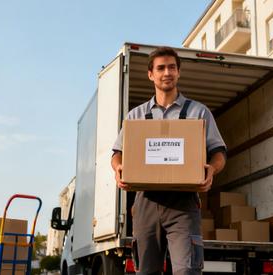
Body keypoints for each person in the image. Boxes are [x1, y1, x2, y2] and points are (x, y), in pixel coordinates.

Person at [111, 47, 227, 275]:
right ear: (150, 74)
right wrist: (118, 169)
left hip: (183, 205)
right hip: (146, 203)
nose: (167, 72)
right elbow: (117, 153)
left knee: (187, 271)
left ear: (178, 73)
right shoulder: (136, 116)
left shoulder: (198, 112)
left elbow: (219, 152)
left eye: (172, 67)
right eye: (161, 68)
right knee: (146, 271)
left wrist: (211, 169)